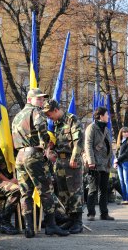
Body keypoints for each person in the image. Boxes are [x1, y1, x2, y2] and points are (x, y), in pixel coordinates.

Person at [12, 88, 69, 238]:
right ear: (29, 100)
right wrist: (45, 146)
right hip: (33, 155)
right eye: (39, 99)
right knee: (46, 191)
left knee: (26, 193)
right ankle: (51, 226)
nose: (42, 102)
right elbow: (41, 128)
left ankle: (29, 229)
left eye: (43, 99)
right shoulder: (36, 112)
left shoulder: (17, 116)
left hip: (20, 156)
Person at [42, 99, 84, 234]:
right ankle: (70, 220)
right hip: (59, 162)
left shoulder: (72, 120)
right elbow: (57, 143)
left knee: (74, 191)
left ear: (55, 110)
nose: (49, 118)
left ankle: (78, 222)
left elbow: (79, 141)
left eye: (49, 114)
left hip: (72, 161)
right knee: (63, 192)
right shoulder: (56, 124)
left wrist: (74, 157)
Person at [84, 106, 115, 221]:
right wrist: (91, 161)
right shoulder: (91, 128)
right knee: (93, 189)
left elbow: (109, 145)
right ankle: (91, 213)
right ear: (101, 116)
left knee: (104, 189)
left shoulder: (106, 129)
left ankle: (104, 213)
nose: (108, 117)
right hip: (95, 163)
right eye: (107, 115)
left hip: (105, 164)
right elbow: (88, 145)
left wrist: (110, 160)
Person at [114, 127, 128, 205]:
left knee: (127, 181)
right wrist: (115, 161)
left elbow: (126, 153)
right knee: (121, 181)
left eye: (127, 132)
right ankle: (124, 199)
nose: (126, 133)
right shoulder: (119, 142)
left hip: (126, 162)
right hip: (119, 163)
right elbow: (117, 153)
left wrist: (117, 159)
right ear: (121, 133)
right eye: (124, 132)